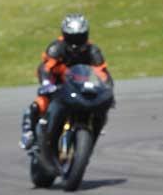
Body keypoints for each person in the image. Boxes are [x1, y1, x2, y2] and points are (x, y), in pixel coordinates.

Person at [19, 13, 112, 150]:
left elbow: (102, 73)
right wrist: (46, 83)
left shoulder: (93, 51)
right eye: (72, 37)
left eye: (80, 37)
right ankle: (28, 132)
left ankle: (94, 128)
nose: (76, 42)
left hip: (80, 86)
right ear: (65, 35)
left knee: (102, 104)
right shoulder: (57, 47)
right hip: (57, 84)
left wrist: (107, 88)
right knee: (39, 104)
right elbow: (45, 68)